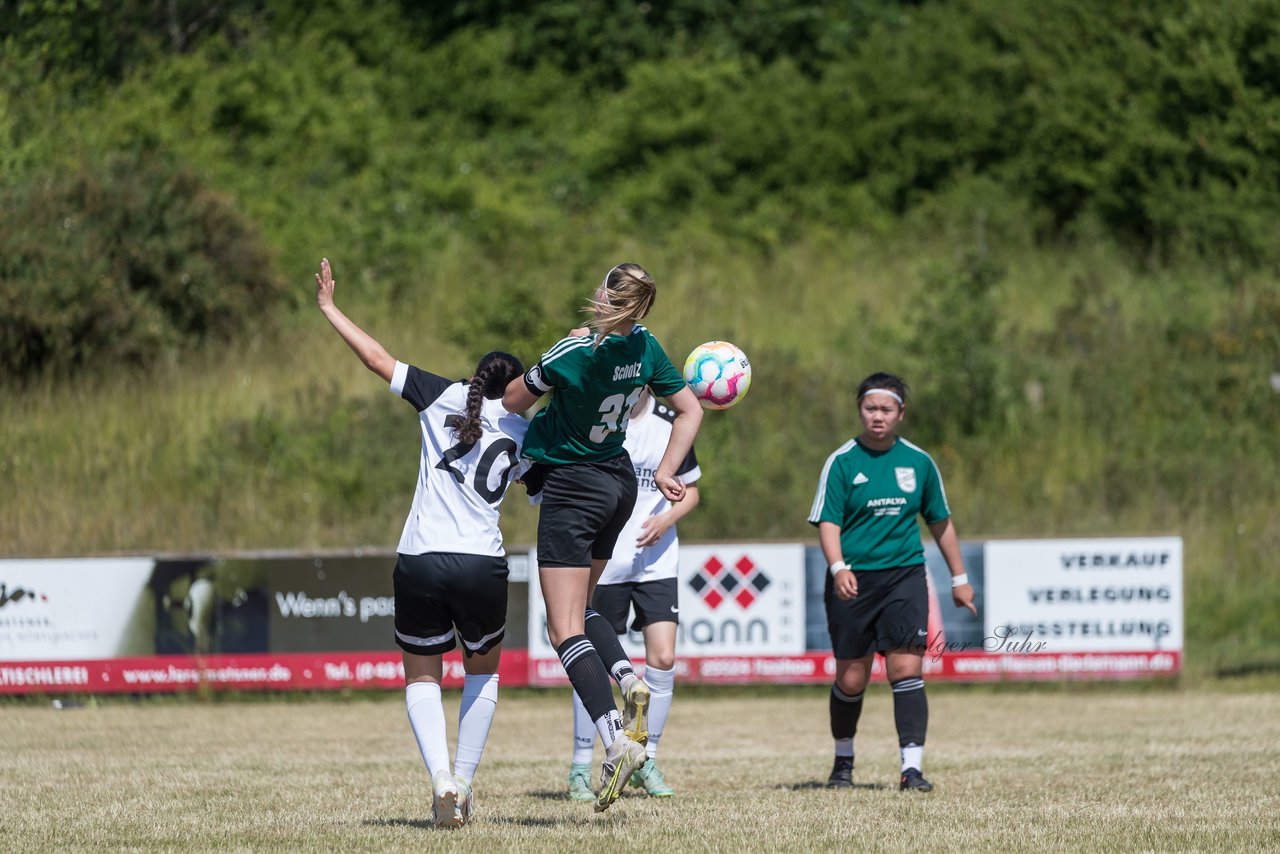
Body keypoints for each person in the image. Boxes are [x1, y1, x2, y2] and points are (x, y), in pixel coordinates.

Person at [315, 258, 529, 829]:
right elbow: (551, 488)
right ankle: (462, 779)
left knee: (422, 677)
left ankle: (438, 781)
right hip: (482, 563)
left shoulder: (440, 396)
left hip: (419, 558)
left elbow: (376, 358)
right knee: (482, 673)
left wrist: (332, 309)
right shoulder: (527, 434)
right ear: (518, 386)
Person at [503, 263, 703, 812]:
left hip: (573, 487)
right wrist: (668, 469)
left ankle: (615, 738)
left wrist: (548, 357)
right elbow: (690, 409)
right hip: (617, 483)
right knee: (586, 608)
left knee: (562, 628)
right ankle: (625, 674)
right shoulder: (646, 347)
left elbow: (514, 401)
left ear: (608, 296)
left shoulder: (577, 351)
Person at [807, 372, 976, 793]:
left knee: (905, 668)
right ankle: (843, 763)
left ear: (901, 412)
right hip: (853, 582)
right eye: (870, 408)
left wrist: (960, 578)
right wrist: (838, 567)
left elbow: (941, 522)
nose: (877, 416)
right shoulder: (842, 461)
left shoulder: (919, 462)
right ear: (859, 410)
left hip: (904, 577)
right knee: (851, 679)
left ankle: (911, 769)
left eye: (885, 409)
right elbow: (829, 521)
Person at [565, 386, 701, 801]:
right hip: (606, 563)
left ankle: (647, 760)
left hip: (657, 563)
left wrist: (667, 519)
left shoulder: (670, 422)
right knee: (589, 661)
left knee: (662, 657)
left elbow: (692, 491)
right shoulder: (602, 423)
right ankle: (579, 767)